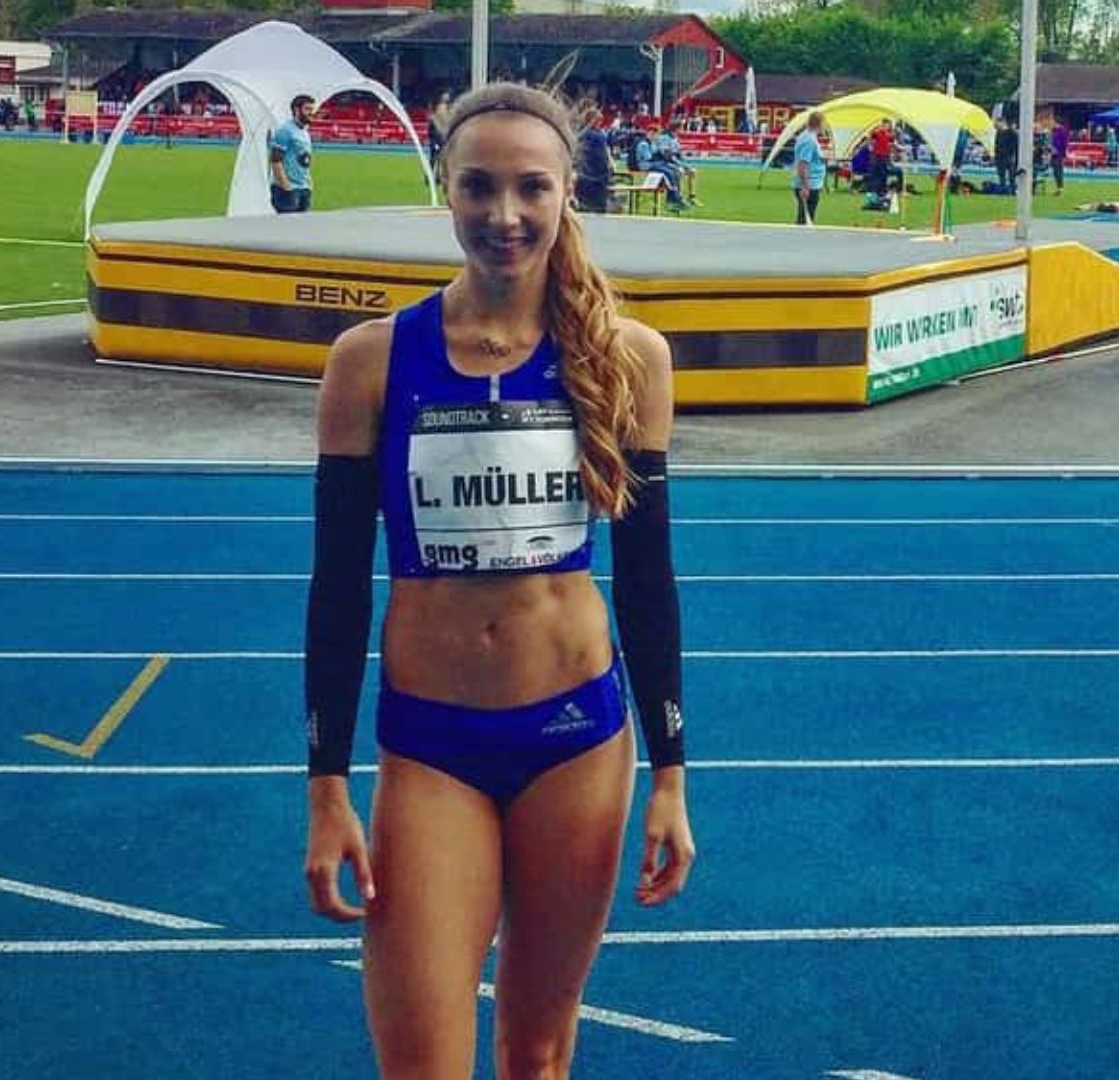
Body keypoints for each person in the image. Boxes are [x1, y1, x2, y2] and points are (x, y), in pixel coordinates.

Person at [302, 81, 695, 1080]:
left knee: (534, 1053)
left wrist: (672, 774)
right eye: (478, 187)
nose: (503, 215)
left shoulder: (626, 359)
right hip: (432, 745)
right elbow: (338, 590)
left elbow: (649, 582)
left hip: (576, 741)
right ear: (445, 189)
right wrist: (326, 786)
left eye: (531, 188)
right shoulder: (371, 363)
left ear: (569, 194)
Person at [270, 93, 316, 213]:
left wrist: (308, 184)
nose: (311, 112)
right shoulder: (285, 131)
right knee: (286, 229)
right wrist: (286, 186)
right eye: (307, 109)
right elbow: (276, 161)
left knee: (301, 230)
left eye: (312, 109)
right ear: (297, 110)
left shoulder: (305, 133)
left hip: (304, 188)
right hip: (288, 189)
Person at [793, 112, 827, 225]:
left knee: (805, 217)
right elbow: (803, 163)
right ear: (819, 123)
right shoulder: (809, 140)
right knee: (805, 219)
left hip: (812, 183)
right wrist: (805, 186)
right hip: (809, 184)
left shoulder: (807, 137)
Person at [1050, 117, 1070, 194]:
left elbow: (1064, 143)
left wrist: (1059, 151)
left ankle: (1060, 187)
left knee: (1058, 170)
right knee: (1056, 171)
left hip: (1059, 153)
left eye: (1053, 122)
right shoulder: (1054, 131)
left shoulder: (1062, 131)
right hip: (1054, 153)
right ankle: (1059, 187)